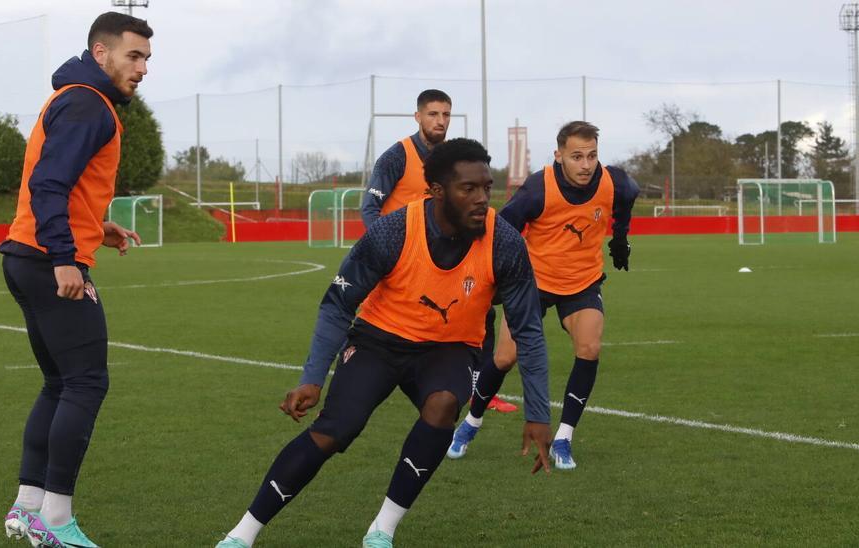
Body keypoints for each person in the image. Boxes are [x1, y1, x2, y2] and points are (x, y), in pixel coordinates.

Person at [216, 139, 552, 548]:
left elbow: (528, 330)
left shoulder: (505, 241)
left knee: (444, 404)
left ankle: (382, 530)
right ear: (438, 191)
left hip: (449, 347)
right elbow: (339, 304)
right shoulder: (392, 231)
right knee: (336, 430)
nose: (482, 199)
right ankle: (241, 535)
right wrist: (312, 378)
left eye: (487, 186)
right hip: (379, 340)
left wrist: (538, 412)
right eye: (469, 189)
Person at [0, 11, 151, 548]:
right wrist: (66, 255)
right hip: (47, 259)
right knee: (87, 382)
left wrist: (94, 227)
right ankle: (56, 521)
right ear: (101, 52)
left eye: (147, 59)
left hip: (26, 254)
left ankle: (27, 508)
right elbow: (49, 182)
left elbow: (62, 184)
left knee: (60, 383)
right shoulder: (90, 103)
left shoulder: (75, 96)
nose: (143, 68)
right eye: (134, 56)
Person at [447, 121, 639, 470]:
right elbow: (500, 230)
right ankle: (471, 423)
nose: (586, 164)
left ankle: (564, 438)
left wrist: (620, 239)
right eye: (577, 156)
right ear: (559, 155)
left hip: (582, 282)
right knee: (505, 357)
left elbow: (626, 202)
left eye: (592, 155)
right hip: (532, 283)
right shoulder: (538, 189)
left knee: (590, 348)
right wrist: (489, 278)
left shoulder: (616, 183)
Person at [361, 89, 518, 414]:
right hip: (407, 258)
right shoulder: (397, 157)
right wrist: (384, 250)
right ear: (418, 116)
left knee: (481, 310)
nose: (440, 121)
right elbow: (370, 207)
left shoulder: (453, 160)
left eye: (446, 114)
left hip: (452, 253)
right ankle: (353, 388)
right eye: (433, 114)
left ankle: (479, 388)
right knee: (395, 326)